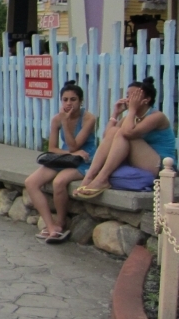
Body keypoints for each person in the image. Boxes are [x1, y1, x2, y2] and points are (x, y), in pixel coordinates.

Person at [75, 77, 176, 198]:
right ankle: (90, 176)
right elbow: (108, 136)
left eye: (133, 96)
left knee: (122, 133)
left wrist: (132, 109)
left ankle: (102, 178)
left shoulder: (157, 116)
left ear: (146, 100)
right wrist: (116, 113)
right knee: (115, 131)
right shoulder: (130, 118)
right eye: (128, 96)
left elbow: (128, 133)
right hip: (140, 162)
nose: (129, 100)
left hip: (161, 166)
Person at [23, 81, 97, 243]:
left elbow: (75, 145)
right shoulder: (57, 119)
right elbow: (52, 148)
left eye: (73, 99)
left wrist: (66, 122)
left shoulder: (89, 119)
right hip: (66, 157)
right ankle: (51, 226)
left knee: (59, 182)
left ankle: (61, 222)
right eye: (65, 100)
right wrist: (68, 151)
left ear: (81, 101)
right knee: (31, 182)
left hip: (85, 158)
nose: (69, 103)